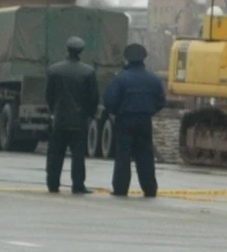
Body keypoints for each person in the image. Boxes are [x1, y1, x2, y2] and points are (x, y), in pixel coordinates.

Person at [102, 43, 166, 197]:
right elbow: (161, 102)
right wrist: (148, 111)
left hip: (125, 119)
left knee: (123, 155)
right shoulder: (153, 79)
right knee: (145, 155)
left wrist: (116, 112)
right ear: (144, 58)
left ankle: (120, 189)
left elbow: (110, 101)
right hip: (145, 121)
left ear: (126, 58)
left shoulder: (120, 79)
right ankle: (150, 189)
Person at [45, 36, 99, 194]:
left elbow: (49, 95)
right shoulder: (88, 72)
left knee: (55, 153)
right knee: (78, 155)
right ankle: (78, 185)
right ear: (81, 51)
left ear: (67, 50)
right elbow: (93, 97)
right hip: (79, 120)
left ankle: (53, 183)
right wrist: (89, 114)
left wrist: (54, 110)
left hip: (59, 118)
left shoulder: (54, 70)